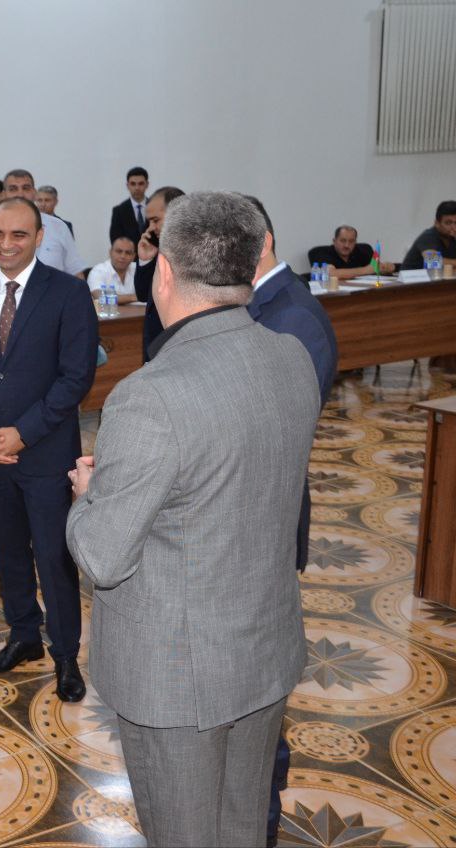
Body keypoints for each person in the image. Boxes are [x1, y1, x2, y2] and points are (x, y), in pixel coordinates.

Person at [67, 191, 321, 848]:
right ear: (251, 263)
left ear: (165, 273)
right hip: (264, 651)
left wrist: (89, 494)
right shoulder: (292, 357)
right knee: (242, 828)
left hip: (177, 676)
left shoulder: (149, 397)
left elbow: (102, 557)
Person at [0, 197, 96, 697]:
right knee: (8, 551)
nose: (6, 244)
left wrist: (22, 433)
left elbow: (75, 378)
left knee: (53, 557)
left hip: (46, 454)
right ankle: (24, 635)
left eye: (18, 235)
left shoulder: (68, 294)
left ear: (39, 237)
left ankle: (65, 655)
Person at [246, 194, 339, 845]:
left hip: (265, 525)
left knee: (261, 688)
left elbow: (280, 431)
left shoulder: (295, 315)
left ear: (260, 244)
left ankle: (262, 821)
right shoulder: (263, 305)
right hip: (244, 526)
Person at [133, 185, 186, 360]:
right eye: (149, 221)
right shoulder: (160, 249)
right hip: (154, 349)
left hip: (179, 353)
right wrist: (145, 260)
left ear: (177, 215)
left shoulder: (196, 255)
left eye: (155, 220)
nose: (150, 228)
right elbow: (143, 295)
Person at [1, 170, 86, 277]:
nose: (20, 194)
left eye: (26, 188)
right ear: (3, 194)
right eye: (13, 189)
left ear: (34, 193)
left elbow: (76, 272)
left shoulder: (58, 227)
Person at [307, 225, 394, 279]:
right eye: (343, 241)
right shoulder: (322, 253)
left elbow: (375, 267)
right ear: (334, 241)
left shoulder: (363, 251)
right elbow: (331, 273)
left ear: (355, 242)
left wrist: (386, 268)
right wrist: (365, 270)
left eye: (351, 241)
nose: (347, 245)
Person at [401, 199, 456, 270]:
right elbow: (433, 263)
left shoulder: (452, 237)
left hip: (439, 276)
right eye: (448, 223)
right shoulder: (428, 236)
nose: (454, 227)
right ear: (437, 223)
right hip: (411, 276)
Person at [87, 237, 139, 303]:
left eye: (128, 253)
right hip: (109, 310)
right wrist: (137, 297)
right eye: (119, 251)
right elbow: (100, 296)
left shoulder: (138, 269)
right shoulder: (98, 271)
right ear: (110, 252)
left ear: (133, 256)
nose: (123, 256)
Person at [110, 166, 150, 246]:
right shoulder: (119, 211)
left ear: (147, 185)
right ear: (127, 186)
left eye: (141, 183)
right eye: (133, 184)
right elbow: (116, 241)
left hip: (153, 253)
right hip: (129, 254)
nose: (137, 188)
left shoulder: (156, 208)